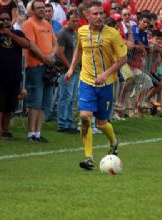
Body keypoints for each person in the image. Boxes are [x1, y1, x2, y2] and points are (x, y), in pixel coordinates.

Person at [64, 1, 127, 170]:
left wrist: (105, 74)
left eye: (101, 13)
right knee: (85, 118)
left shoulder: (113, 34)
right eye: (95, 14)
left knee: (101, 123)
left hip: (106, 84)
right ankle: (89, 158)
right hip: (86, 82)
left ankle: (113, 141)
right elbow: (79, 49)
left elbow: (123, 59)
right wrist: (71, 69)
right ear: (87, 15)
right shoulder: (82, 31)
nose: (100, 17)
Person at [0, 10, 30, 140]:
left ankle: (6, 131)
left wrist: (10, 34)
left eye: (7, 19)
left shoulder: (17, 33)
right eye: (2, 19)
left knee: (9, 106)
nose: (5, 21)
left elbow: (27, 44)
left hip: (13, 76)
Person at [22, 0, 58, 143]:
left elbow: (55, 43)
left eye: (43, 8)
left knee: (44, 102)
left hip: (48, 67)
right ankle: (31, 133)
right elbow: (31, 44)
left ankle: (37, 132)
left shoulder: (48, 25)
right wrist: (44, 57)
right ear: (32, 10)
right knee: (34, 101)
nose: (42, 10)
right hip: (35, 66)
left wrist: (51, 55)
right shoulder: (28, 24)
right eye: (38, 8)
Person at [56, 10, 79, 133]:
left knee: (72, 98)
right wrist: (70, 68)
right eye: (73, 21)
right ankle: (62, 124)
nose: (76, 23)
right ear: (67, 20)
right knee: (65, 97)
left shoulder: (75, 33)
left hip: (75, 70)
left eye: (77, 21)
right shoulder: (62, 33)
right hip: (66, 71)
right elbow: (59, 53)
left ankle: (69, 122)